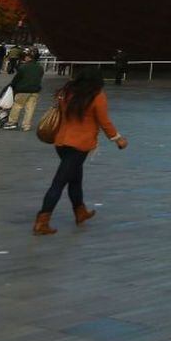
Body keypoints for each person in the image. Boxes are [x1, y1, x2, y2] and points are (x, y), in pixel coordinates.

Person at [32, 70, 127, 235]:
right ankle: (42, 220)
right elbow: (104, 121)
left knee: (75, 179)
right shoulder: (97, 96)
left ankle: (80, 211)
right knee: (59, 183)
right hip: (80, 144)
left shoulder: (66, 92)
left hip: (61, 141)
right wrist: (117, 139)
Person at [8, 48, 45, 133]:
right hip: (35, 90)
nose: (25, 58)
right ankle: (26, 126)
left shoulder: (23, 67)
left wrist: (12, 86)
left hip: (23, 90)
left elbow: (16, 79)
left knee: (17, 106)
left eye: (26, 56)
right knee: (30, 108)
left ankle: (12, 122)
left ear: (29, 58)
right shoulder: (40, 68)